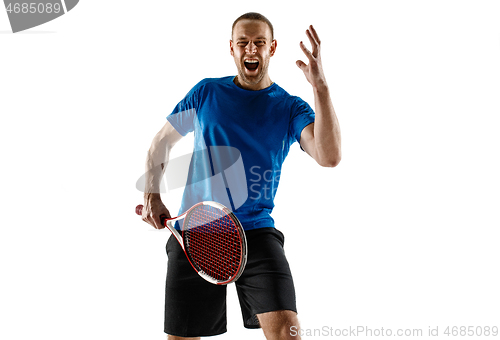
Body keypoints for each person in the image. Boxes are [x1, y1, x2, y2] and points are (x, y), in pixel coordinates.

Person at [141, 12, 341, 340]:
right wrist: (151, 194)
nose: (251, 49)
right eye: (243, 43)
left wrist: (320, 86)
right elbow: (161, 143)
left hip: (257, 234)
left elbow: (329, 156)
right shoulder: (206, 93)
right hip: (196, 231)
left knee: (287, 334)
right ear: (231, 49)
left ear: (272, 48)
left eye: (259, 43)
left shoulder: (291, 107)